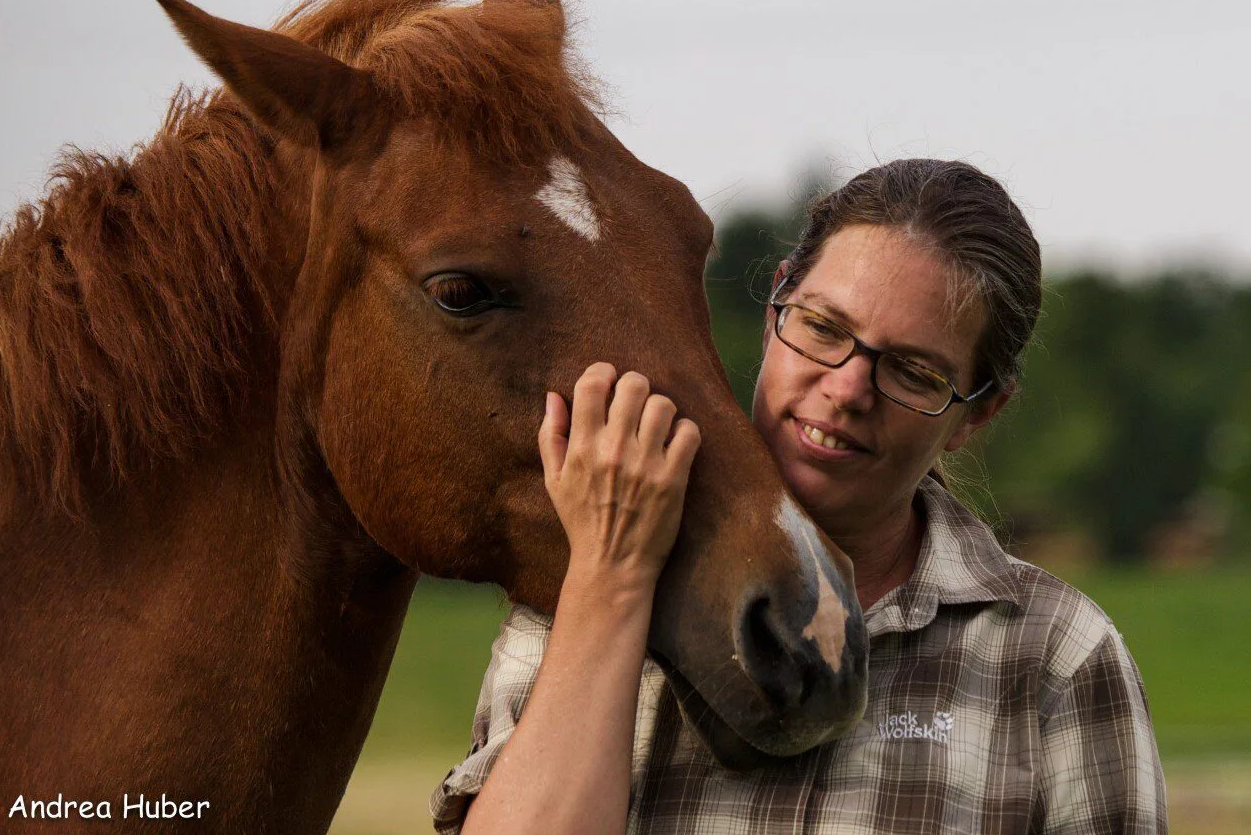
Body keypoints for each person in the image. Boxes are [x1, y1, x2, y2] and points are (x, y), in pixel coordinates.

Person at [431, 159, 1168, 834]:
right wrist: (613, 578)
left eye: (913, 372)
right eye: (821, 327)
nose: (846, 389)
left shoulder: (1055, 655)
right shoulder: (589, 580)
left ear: (977, 415)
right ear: (774, 308)